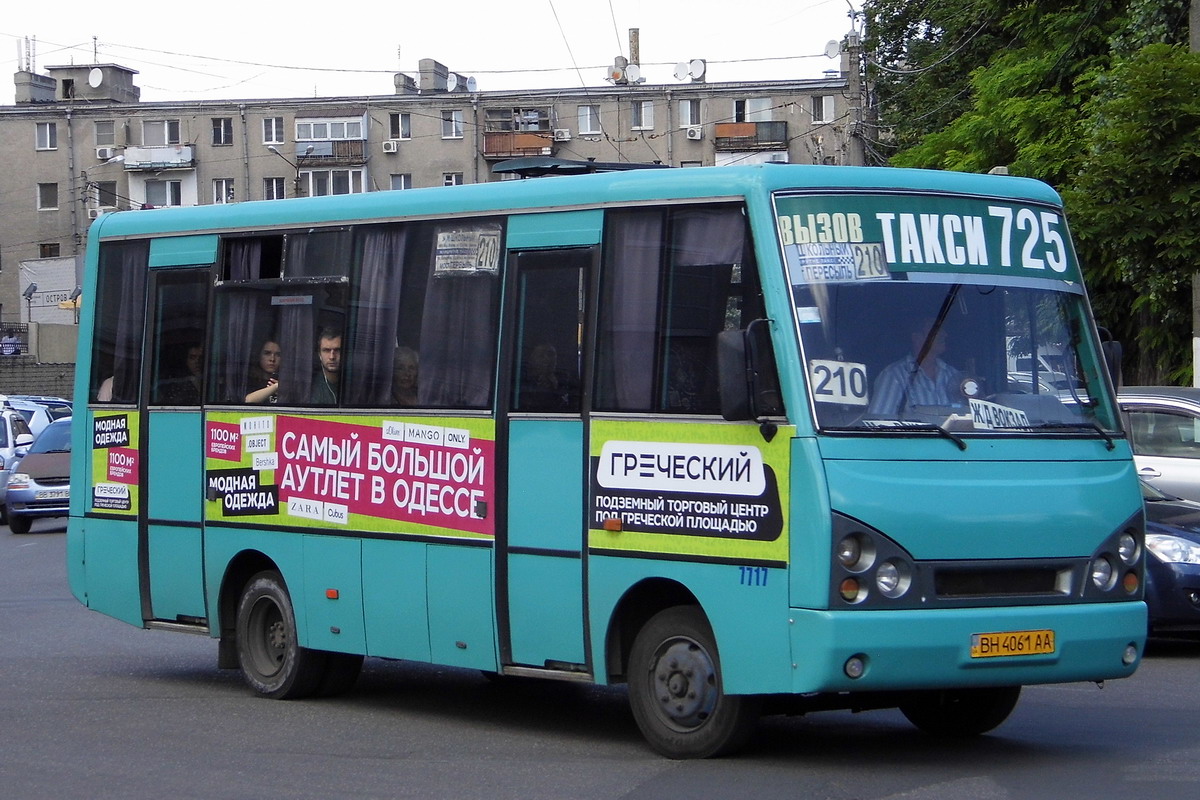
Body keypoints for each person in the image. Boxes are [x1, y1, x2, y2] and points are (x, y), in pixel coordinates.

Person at [868, 317, 966, 418]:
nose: (944, 335)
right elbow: (878, 425)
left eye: (943, 330)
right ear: (917, 338)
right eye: (936, 330)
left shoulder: (955, 376)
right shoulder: (894, 375)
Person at [310, 327, 342, 404]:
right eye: (326, 350)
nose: (332, 357)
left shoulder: (355, 384)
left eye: (337, 350)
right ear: (319, 354)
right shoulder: (311, 386)